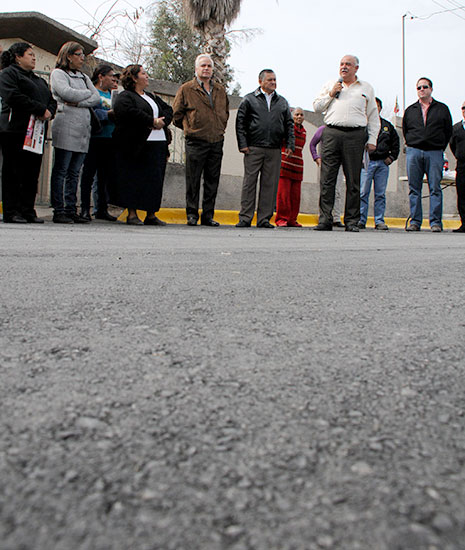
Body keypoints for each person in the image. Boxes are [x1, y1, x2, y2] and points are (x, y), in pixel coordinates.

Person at [313, 55, 379, 231]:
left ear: (356, 68)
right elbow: (317, 107)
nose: (344, 67)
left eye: (348, 65)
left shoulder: (366, 88)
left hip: (355, 136)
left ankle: (351, 221)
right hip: (332, 133)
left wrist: (372, 139)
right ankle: (325, 219)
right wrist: (331, 94)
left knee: (353, 180)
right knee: (327, 179)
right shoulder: (331, 85)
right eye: (342, 64)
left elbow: (373, 116)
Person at [0, 42, 57, 223]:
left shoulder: (38, 80)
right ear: (18, 56)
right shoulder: (8, 74)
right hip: (15, 129)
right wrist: (40, 109)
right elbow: (13, 96)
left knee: (31, 173)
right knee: (13, 171)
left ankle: (27, 209)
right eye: (30, 54)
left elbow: (51, 100)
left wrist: (49, 111)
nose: (33, 58)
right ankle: (12, 211)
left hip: (36, 133)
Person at [112, 64, 173, 225]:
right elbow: (128, 112)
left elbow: (168, 110)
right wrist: (151, 121)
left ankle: (151, 214)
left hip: (158, 143)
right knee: (135, 178)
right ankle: (132, 213)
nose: (147, 76)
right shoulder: (126, 96)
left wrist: (161, 122)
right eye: (144, 73)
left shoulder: (151, 96)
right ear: (133, 77)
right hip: (137, 145)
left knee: (155, 179)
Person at [172, 54, 229, 226]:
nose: (206, 69)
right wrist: (190, 128)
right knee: (193, 179)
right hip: (195, 141)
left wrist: (219, 127)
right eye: (203, 66)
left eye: (209, 66)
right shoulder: (187, 89)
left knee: (212, 180)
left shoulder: (220, 90)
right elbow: (176, 114)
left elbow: (225, 112)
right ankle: (191, 214)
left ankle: (208, 215)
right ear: (196, 69)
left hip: (216, 140)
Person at [235, 69, 294, 228]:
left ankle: (263, 219)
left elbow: (289, 124)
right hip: (253, 148)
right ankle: (245, 218)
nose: (273, 83)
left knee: (270, 184)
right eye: (270, 80)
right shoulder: (249, 99)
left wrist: (289, 144)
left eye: (275, 80)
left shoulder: (282, 102)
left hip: (274, 149)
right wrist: (243, 144)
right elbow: (240, 123)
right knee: (249, 183)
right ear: (260, 81)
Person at [50, 41, 100, 224]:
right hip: (66, 127)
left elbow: (96, 98)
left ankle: (71, 208)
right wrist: (84, 95)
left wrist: (78, 102)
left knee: (74, 172)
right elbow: (65, 93)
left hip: (82, 131)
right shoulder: (58, 74)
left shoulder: (84, 77)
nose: (82, 58)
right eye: (78, 54)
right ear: (68, 56)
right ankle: (59, 209)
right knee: (61, 170)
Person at [402, 78, 453, 232]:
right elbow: (405, 130)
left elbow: (447, 131)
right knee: (414, 188)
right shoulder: (410, 110)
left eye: (425, 87)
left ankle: (436, 222)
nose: (422, 89)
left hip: (434, 152)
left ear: (431, 89)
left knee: (435, 188)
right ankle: (415, 222)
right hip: (414, 152)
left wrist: (438, 147)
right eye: (419, 87)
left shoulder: (442, 109)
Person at [79, 64, 118, 222]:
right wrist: (107, 114)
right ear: (101, 76)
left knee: (104, 176)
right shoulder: (93, 93)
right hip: (95, 138)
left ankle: (101, 208)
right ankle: (84, 208)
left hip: (110, 138)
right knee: (88, 174)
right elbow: (90, 111)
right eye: (110, 76)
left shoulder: (113, 94)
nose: (113, 79)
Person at [358, 97, 400, 230]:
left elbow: (396, 144)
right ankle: (361, 219)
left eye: (377, 107)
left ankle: (379, 220)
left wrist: (391, 158)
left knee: (380, 194)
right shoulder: (363, 125)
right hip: (367, 163)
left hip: (382, 164)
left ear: (380, 108)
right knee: (363, 193)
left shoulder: (387, 126)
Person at [275, 107, 306, 227]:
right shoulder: (287, 128)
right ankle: (282, 219)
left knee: (295, 196)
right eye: (297, 114)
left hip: (298, 166)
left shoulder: (304, 132)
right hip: (285, 165)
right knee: (283, 194)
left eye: (301, 115)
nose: (299, 117)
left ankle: (292, 219)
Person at [309, 125, 345, 228]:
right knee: (325, 190)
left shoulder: (341, 130)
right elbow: (312, 144)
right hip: (326, 164)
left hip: (339, 165)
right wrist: (316, 157)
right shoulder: (322, 129)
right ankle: (323, 216)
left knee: (337, 191)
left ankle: (336, 218)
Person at [450, 101, 465, 233]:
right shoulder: (456, 128)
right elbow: (453, 146)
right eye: (463, 108)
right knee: (462, 194)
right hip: (462, 166)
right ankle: (464, 223)